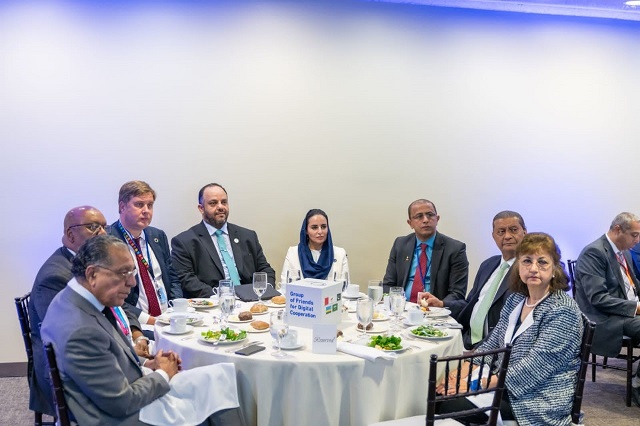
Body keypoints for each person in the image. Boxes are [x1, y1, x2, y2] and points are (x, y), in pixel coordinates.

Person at [40, 235, 245, 425]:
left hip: (120, 392)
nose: (132, 282)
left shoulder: (73, 298)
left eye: (132, 272)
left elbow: (106, 356)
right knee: (216, 392)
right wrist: (163, 373)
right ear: (92, 274)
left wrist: (149, 363)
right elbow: (121, 403)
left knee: (218, 377)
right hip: (117, 417)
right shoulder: (80, 329)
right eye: (124, 273)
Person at [439, 232, 583, 425]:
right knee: (440, 394)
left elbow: (534, 368)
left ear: (555, 269)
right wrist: (461, 373)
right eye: (527, 261)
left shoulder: (563, 310)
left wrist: (474, 385)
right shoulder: (516, 299)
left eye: (542, 262)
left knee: (448, 405)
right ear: (518, 267)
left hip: (538, 398)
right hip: (504, 385)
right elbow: (492, 342)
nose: (533, 268)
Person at [28, 206, 149, 418]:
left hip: (105, 348)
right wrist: (135, 359)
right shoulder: (56, 277)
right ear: (70, 234)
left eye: (104, 227)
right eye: (93, 227)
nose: (102, 233)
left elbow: (117, 307)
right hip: (68, 379)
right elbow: (72, 343)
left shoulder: (91, 264)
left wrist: (137, 335)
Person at [574, 212, 640, 407]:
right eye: (634, 235)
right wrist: (636, 307)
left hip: (625, 310)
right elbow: (598, 298)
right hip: (605, 317)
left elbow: (633, 286)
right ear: (618, 230)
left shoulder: (623, 251)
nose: (637, 240)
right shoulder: (594, 252)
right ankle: (637, 384)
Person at [171, 183, 275, 297]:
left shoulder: (248, 236)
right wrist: (221, 295)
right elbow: (187, 279)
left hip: (251, 299)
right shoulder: (184, 242)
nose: (220, 207)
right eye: (213, 203)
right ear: (201, 208)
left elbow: (265, 269)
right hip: (214, 300)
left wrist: (264, 292)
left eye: (224, 202)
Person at [109, 181, 182, 332]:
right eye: (139, 204)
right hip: (136, 324)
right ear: (122, 207)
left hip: (168, 318)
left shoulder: (157, 235)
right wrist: (150, 320)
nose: (146, 211)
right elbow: (111, 294)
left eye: (150, 205)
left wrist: (175, 309)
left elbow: (173, 277)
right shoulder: (108, 241)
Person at [448, 211, 527, 350]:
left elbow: (515, 324)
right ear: (494, 236)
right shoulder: (488, 264)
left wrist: (479, 351)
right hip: (466, 339)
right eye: (501, 232)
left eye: (513, 230)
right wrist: (441, 304)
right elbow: (469, 304)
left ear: (524, 233)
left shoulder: (527, 272)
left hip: (492, 349)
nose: (507, 236)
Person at [382, 199, 468, 304]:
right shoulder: (400, 244)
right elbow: (388, 284)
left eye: (430, 215)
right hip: (402, 308)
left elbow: (457, 294)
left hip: (435, 309)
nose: (426, 220)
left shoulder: (455, 249)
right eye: (419, 216)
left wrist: (441, 304)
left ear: (437, 219)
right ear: (410, 223)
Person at [280, 209, 349, 283]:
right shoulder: (293, 253)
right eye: (314, 227)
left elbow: (346, 287)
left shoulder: (340, 254)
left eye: (323, 227)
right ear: (306, 230)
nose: (320, 231)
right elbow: (285, 285)